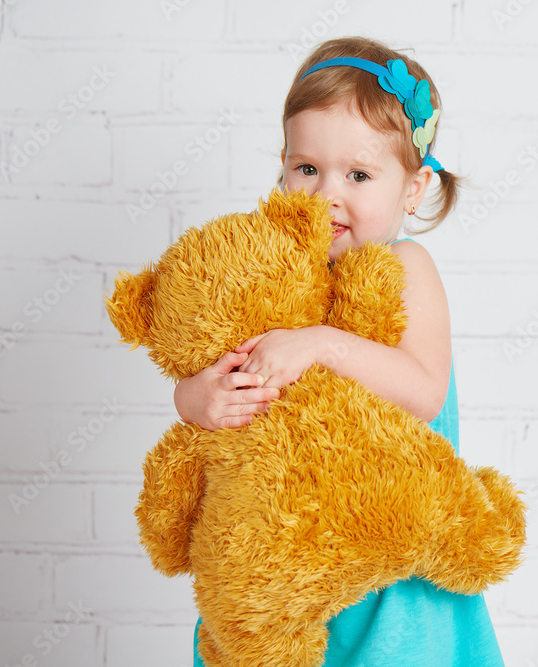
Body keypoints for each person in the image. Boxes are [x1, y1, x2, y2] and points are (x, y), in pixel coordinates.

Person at [173, 36, 507, 666]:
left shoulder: (407, 267)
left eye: (358, 175)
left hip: (390, 573)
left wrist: (320, 344)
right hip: (283, 565)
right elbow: (208, 380)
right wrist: (199, 396)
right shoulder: (269, 275)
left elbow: (422, 388)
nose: (327, 193)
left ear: (412, 188)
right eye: (307, 169)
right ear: (283, 167)